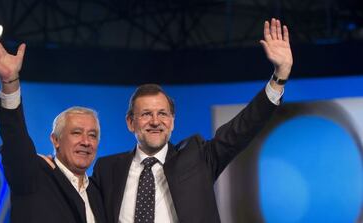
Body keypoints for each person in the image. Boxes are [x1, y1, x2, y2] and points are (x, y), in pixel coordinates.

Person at [91, 18, 293, 223]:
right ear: (130, 122)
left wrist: (279, 77)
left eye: (162, 114)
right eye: (145, 114)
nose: (155, 121)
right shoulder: (107, 169)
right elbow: (75, 198)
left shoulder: (198, 158)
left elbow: (242, 128)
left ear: (172, 121)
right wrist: (56, 165)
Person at [0, 33, 107, 223]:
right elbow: (15, 141)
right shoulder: (34, 174)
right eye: (76, 133)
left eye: (93, 135)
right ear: (55, 140)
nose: (86, 142)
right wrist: (10, 82)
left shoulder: (98, 193)